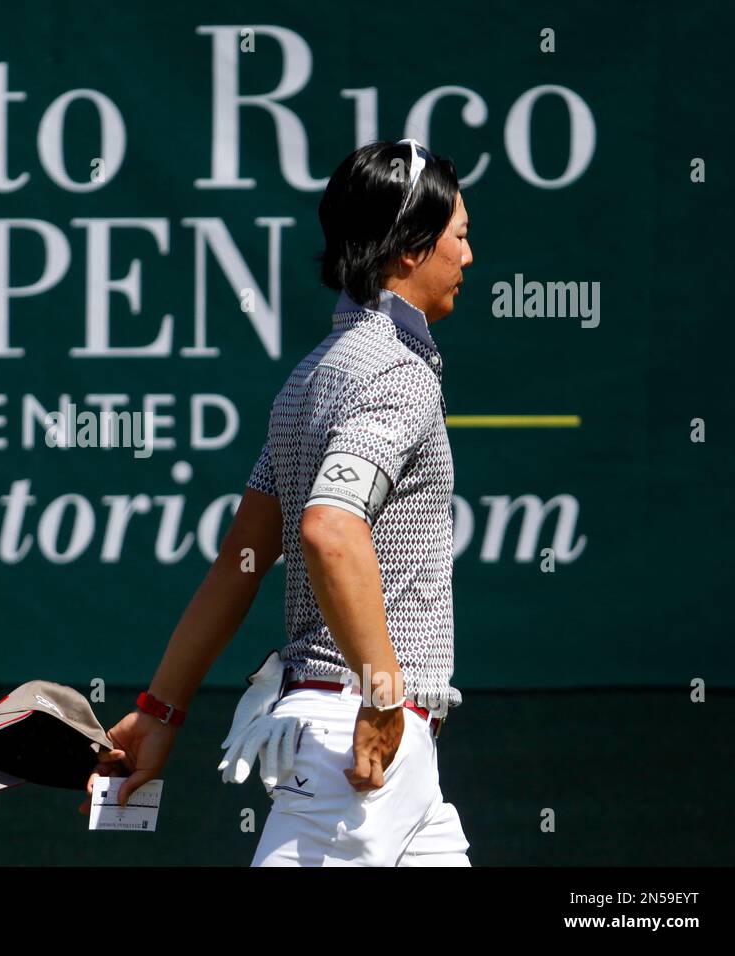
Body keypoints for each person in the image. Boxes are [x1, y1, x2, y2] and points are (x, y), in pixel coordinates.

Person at [81, 139, 474, 866]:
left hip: (390, 764)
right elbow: (329, 531)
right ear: (411, 249)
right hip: (358, 756)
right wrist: (383, 694)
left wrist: (159, 710)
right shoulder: (397, 374)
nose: (470, 257)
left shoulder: (308, 379)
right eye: (460, 235)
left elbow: (242, 559)